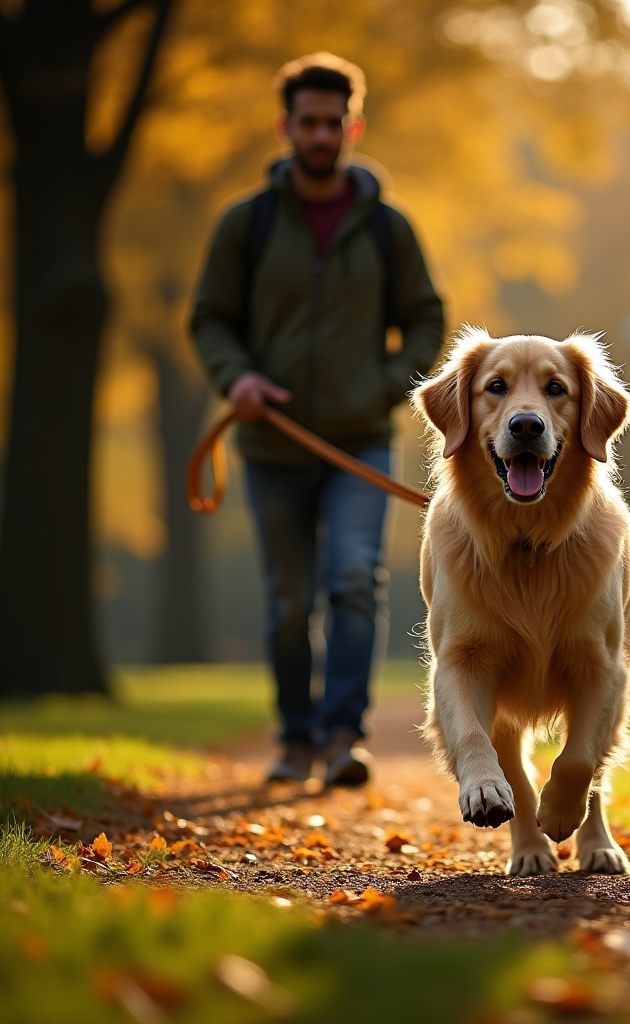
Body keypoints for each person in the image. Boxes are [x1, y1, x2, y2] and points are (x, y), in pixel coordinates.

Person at [190, 53, 444, 785]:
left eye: (335, 122)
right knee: (286, 603)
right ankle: (294, 741)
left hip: (360, 443)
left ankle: (342, 739)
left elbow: (426, 318)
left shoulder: (389, 229)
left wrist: (387, 386)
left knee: (356, 580)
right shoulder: (247, 224)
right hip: (272, 445)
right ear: (287, 127)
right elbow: (210, 317)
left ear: (353, 126)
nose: (323, 134)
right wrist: (236, 377)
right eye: (309, 122)